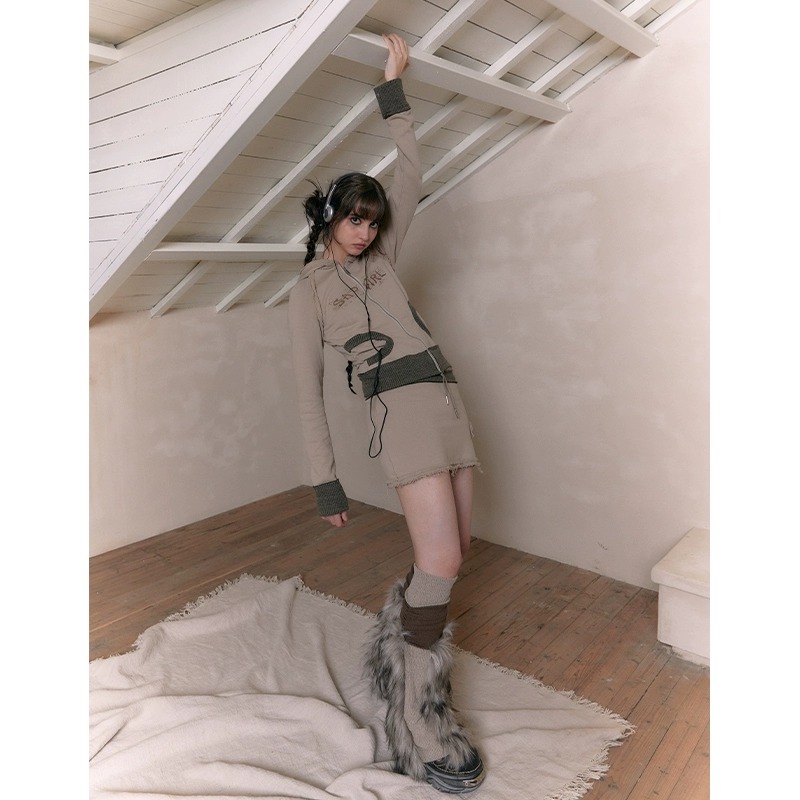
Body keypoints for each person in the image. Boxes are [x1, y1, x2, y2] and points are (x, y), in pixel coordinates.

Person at [288, 34, 485, 794]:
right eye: (354, 219)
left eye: (373, 220)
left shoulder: (385, 260)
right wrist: (326, 482)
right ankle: (418, 717)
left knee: (454, 553)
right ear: (329, 219)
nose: (366, 230)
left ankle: (394, 659)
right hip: (398, 415)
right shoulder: (308, 292)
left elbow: (412, 170)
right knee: (440, 562)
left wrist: (392, 89)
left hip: (446, 401)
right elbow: (307, 390)